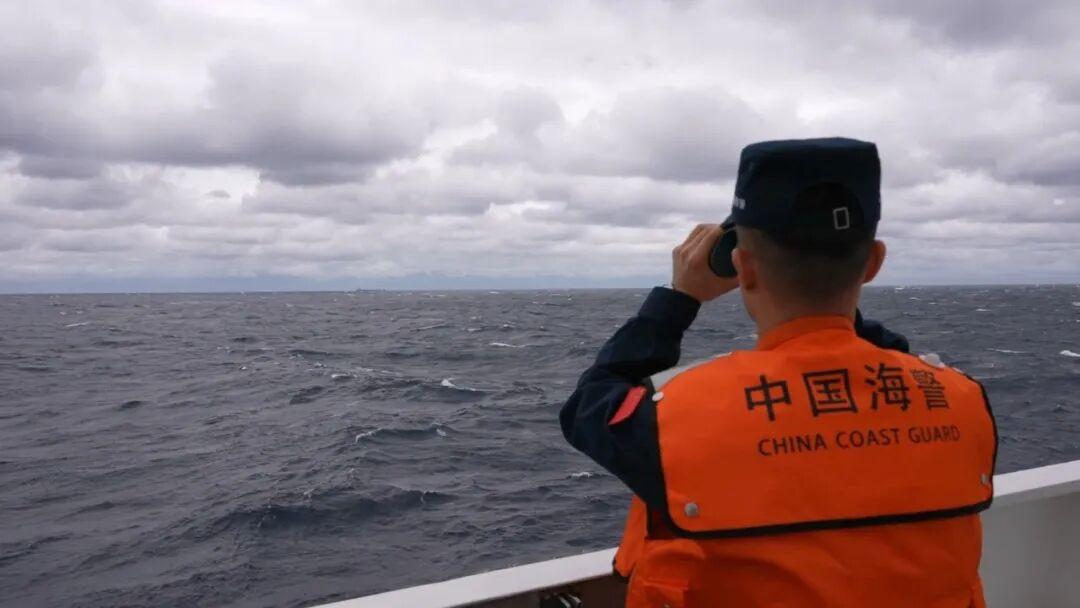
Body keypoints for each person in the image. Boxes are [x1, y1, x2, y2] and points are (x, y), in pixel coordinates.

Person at [560, 138, 997, 607]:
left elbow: (591, 403)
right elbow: (892, 360)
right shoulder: (963, 403)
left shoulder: (671, 424)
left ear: (743, 267)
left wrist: (678, 297)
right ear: (872, 263)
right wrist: (834, 296)